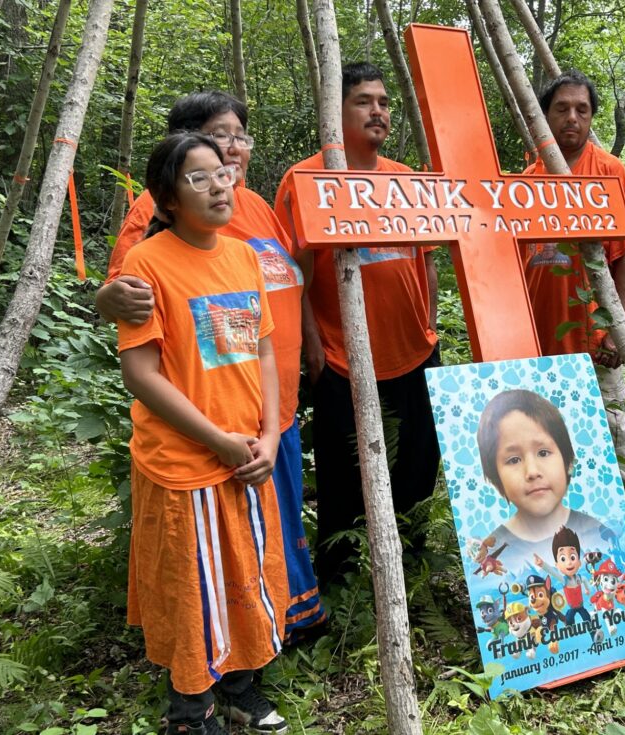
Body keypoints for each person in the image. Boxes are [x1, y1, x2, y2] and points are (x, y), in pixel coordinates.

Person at [96, 91, 326, 643]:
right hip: (209, 420)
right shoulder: (157, 216)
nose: (231, 154)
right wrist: (106, 299)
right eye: (220, 136)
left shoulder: (253, 205)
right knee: (228, 533)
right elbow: (127, 291)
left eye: (239, 137)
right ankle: (225, 647)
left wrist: (312, 337)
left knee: (276, 518)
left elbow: (285, 281)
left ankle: (278, 623)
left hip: (270, 406)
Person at [117, 133, 288, 735]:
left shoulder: (242, 257)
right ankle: (191, 711)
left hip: (245, 452)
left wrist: (267, 438)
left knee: (241, 573)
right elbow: (140, 372)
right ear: (166, 199)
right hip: (186, 459)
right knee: (194, 586)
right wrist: (217, 438)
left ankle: (239, 686)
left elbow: (263, 353)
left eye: (223, 172)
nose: (220, 185)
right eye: (199, 177)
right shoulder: (146, 264)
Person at [274, 63, 440, 587]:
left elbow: (427, 260)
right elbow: (292, 271)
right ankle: (342, 582)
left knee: (418, 462)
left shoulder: (406, 180)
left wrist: (430, 326)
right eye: (364, 101)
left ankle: (410, 563)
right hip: (343, 356)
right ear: (335, 111)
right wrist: (310, 343)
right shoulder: (306, 180)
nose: (379, 111)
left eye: (385, 102)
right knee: (345, 477)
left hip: (414, 350)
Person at [523, 71, 625, 491]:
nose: (572, 118)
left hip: (594, 333)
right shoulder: (529, 177)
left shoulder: (608, 171)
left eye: (582, 110)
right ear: (544, 116)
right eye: (561, 109)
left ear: (593, 118)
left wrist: (616, 328)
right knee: (549, 432)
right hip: (541, 333)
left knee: (609, 425)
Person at [476, 389, 615, 564]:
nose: (532, 471)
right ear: (496, 478)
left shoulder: (598, 532)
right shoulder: (491, 551)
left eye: (543, 453)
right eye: (513, 460)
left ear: (567, 460)